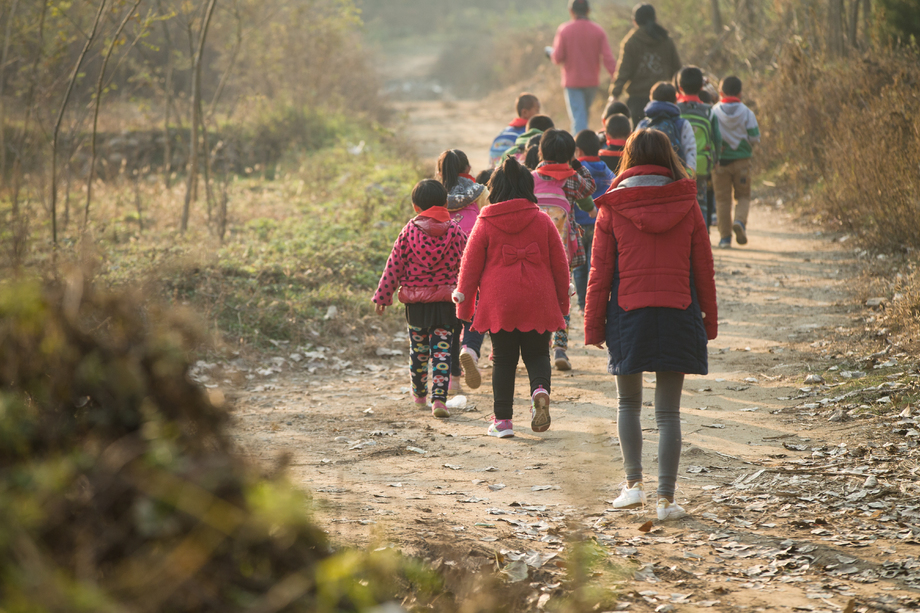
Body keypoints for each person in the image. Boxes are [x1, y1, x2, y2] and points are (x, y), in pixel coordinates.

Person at [584, 129, 717, 521]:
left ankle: (633, 487)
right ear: (667, 157)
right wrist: (708, 320)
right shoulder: (688, 203)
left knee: (628, 403)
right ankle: (666, 500)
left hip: (628, 314)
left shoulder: (612, 207)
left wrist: (593, 325)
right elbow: (703, 270)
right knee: (669, 413)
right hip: (679, 309)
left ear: (628, 157)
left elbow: (599, 273)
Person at [455, 157, 570, 438]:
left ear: (497, 189)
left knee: (504, 360)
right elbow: (560, 266)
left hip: (500, 302)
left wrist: (465, 311)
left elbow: (469, 270)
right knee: (538, 353)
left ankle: (503, 421)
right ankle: (540, 390)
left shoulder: (486, 221)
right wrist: (562, 306)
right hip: (538, 298)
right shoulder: (543, 220)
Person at [372, 180, 468, 418]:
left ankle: (419, 396)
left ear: (416, 206)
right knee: (443, 353)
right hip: (447, 304)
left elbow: (394, 265)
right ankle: (439, 401)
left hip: (416, 306)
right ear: (446, 203)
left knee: (419, 351)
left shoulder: (408, 231)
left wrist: (383, 296)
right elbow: (467, 267)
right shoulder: (456, 232)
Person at [533, 128, 596, 371]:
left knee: (537, 294)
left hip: (534, 247)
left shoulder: (531, 177)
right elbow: (589, 187)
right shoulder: (572, 178)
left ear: (542, 151)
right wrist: (577, 165)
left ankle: (540, 342)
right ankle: (559, 347)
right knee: (563, 295)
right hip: (562, 248)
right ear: (570, 154)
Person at [437, 149, 489, 393]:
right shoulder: (480, 191)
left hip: (442, 264)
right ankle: (469, 348)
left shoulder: (434, 195)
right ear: (468, 170)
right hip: (473, 259)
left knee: (449, 321)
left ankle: (453, 380)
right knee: (473, 309)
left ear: (440, 171)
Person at [549, 0, 617, 134]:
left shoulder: (564, 30)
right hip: (591, 82)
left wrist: (550, 53)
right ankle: (584, 146)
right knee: (583, 115)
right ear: (588, 10)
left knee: (579, 117)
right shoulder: (598, 30)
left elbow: (557, 58)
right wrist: (616, 76)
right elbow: (608, 58)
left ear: (571, 11)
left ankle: (579, 149)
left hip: (572, 82)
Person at [608, 3, 682, 123]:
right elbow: (677, 70)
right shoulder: (666, 40)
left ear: (634, 21)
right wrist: (682, 92)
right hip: (664, 97)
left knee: (640, 138)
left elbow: (623, 72)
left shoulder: (630, 42)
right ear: (655, 19)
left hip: (638, 100)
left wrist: (614, 95)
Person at [712, 75, 760, 249]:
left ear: (720, 92)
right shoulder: (747, 112)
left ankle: (725, 238)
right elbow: (755, 136)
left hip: (720, 164)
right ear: (740, 94)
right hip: (742, 162)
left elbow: (711, 136)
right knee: (743, 196)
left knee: (723, 200)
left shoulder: (714, 111)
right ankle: (739, 221)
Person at [572, 130, 613, 312]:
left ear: (578, 151)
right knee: (594, 265)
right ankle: (593, 302)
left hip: (578, 225)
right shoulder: (606, 170)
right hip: (600, 224)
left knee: (579, 267)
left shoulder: (576, 169)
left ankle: (582, 304)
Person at [677, 66, 721, 227]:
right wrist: (716, 160)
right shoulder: (708, 111)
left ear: (680, 88)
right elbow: (717, 138)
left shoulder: (676, 110)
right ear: (702, 88)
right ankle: (703, 240)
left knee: (682, 204)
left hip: (680, 166)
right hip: (702, 165)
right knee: (701, 202)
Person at [637, 82, 696, 173]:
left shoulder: (643, 124)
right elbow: (690, 150)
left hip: (646, 174)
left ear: (651, 99)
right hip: (675, 175)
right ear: (675, 101)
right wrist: (688, 175)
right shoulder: (682, 124)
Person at [489, 93, 542, 167]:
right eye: (537, 110)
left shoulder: (504, 131)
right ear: (525, 112)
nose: (539, 114)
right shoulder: (529, 135)